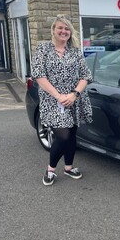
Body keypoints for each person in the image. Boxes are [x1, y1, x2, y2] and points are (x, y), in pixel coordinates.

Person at [31, 14, 93, 186]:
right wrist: (59, 96)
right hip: (53, 100)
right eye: (60, 28)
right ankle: (51, 169)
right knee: (63, 135)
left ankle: (68, 167)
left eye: (67, 29)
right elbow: (39, 75)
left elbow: (85, 76)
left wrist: (74, 94)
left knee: (72, 133)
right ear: (53, 30)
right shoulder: (43, 49)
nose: (63, 31)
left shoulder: (75, 52)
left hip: (74, 99)